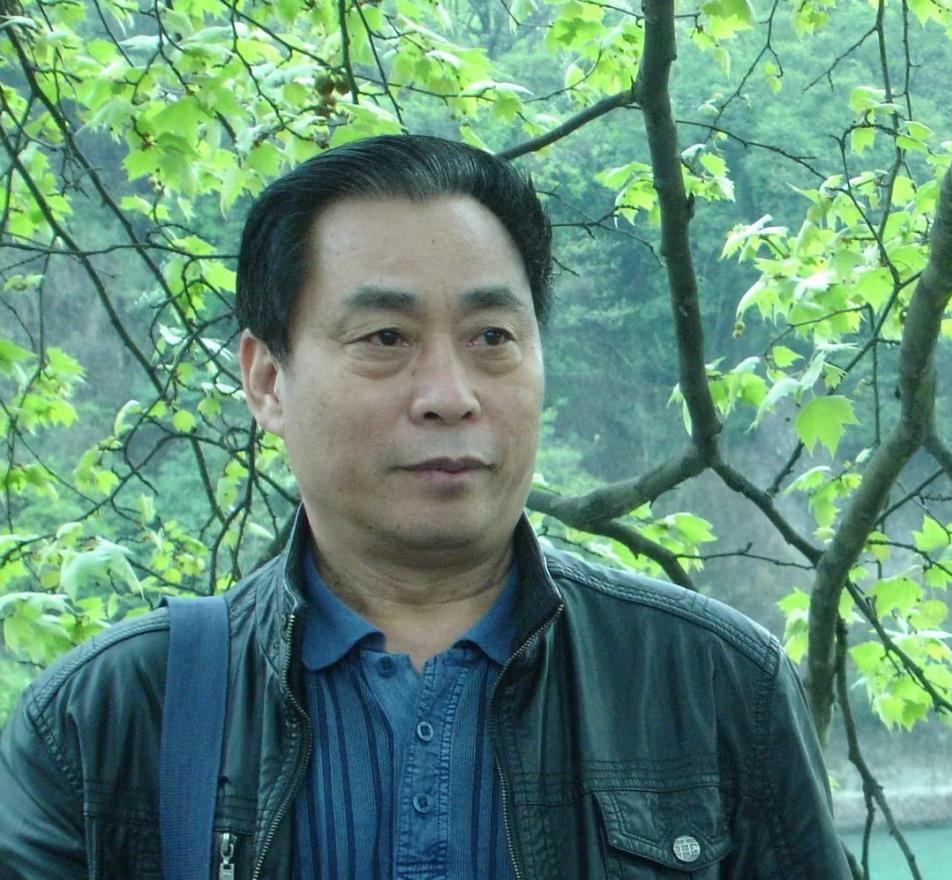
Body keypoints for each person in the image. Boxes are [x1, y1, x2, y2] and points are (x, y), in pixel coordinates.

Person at [0, 135, 849, 878]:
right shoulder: (106, 721)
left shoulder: (712, 685)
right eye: (385, 339)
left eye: (491, 338)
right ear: (266, 380)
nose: (450, 395)